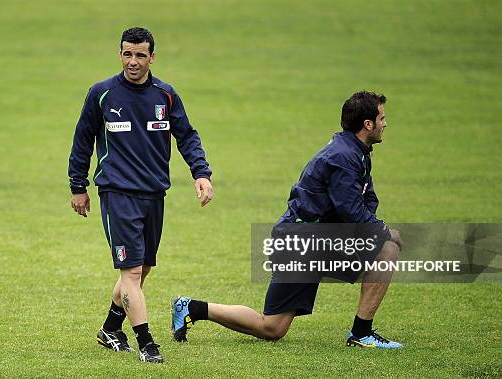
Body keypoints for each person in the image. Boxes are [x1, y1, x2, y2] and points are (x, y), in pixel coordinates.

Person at [172, 91, 403, 349]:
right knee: (272, 327)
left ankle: (361, 333)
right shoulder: (344, 157)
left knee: (386, 248)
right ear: (367, 124)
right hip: (301, 243)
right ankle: (191, 307)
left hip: (318, 241)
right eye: (382, 118)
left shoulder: (356, 151)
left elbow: (366, 200)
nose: (385, 124)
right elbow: (351, 210)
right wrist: (381, 229)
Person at [68, 27, 213, 363]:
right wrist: (78, 186)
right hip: (117, 193)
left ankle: (110, 329)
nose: (133, 61)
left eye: (140, 55)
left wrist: (201, 173)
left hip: (153, 194)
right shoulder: (102, 94)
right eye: (127, 54)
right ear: (120, 54)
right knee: (131, 272)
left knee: (142, 268)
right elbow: (82, 140)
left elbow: (187, 136)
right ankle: (147, 343)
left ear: (152, 57)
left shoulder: (166, 95)